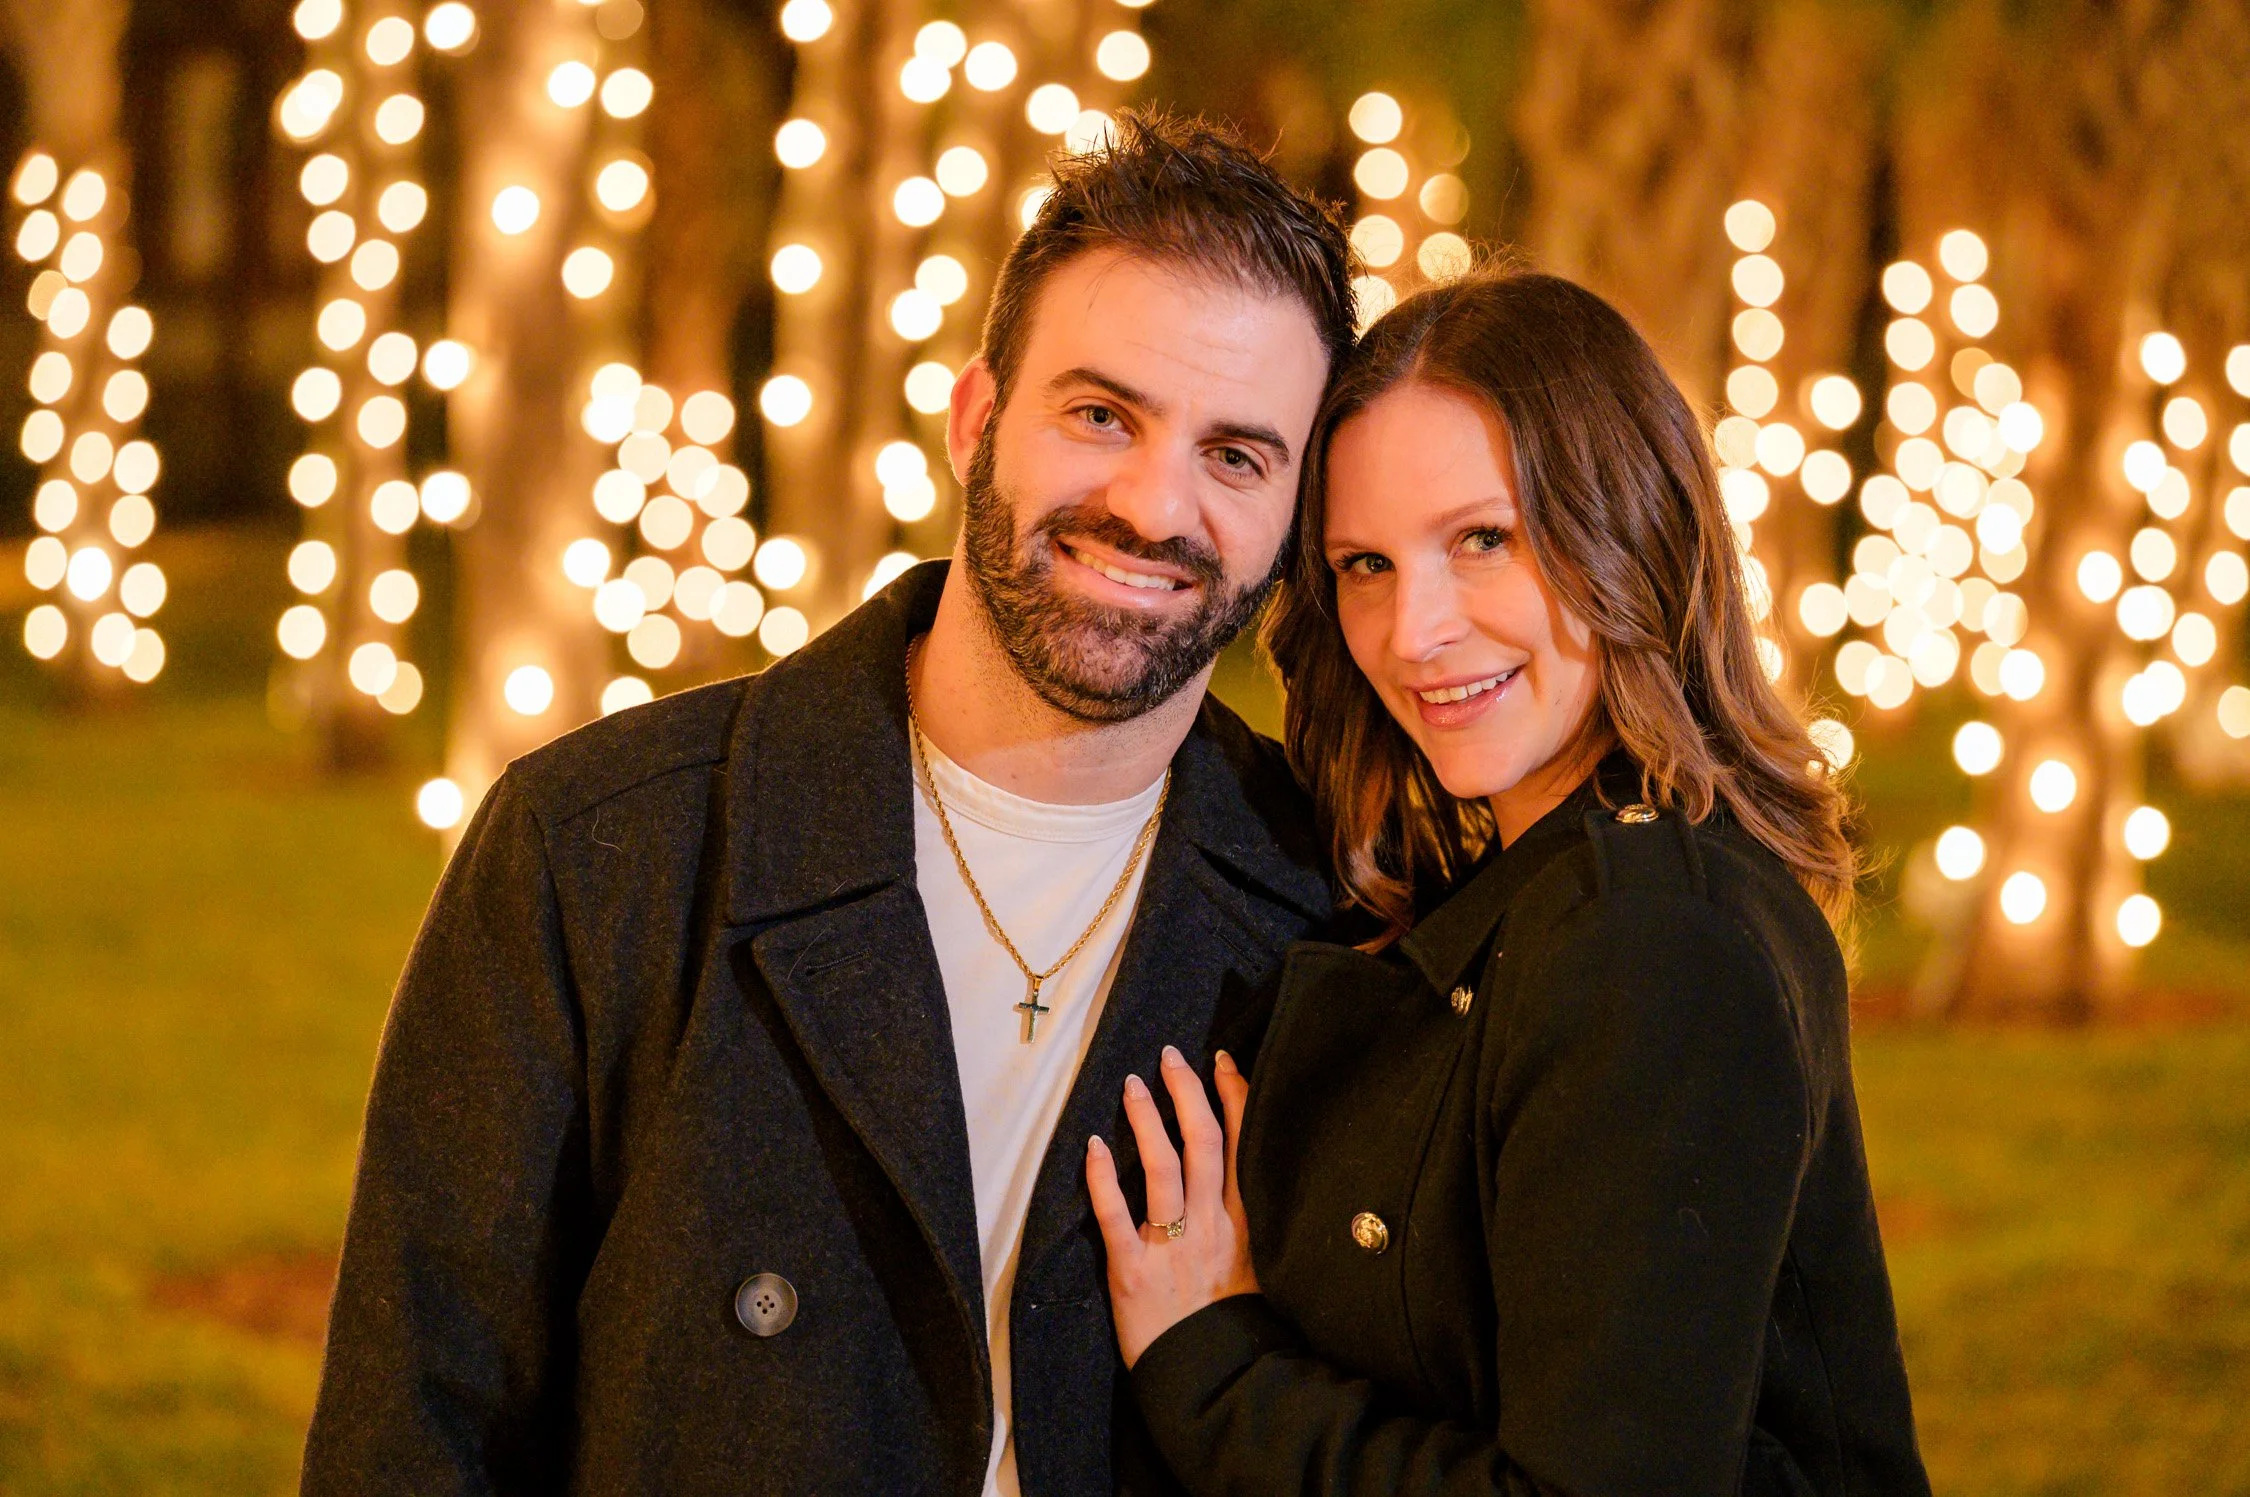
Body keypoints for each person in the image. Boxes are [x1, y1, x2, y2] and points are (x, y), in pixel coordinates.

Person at [301, 113, 1356, 1495]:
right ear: (977, 419)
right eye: (1101, 414)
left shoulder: (1339, 913)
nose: (1153, 507)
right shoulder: (602, 851)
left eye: (1235, 455)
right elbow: (415, 1434)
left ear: (1291, 511)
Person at [1085, 270, 1933, 1495]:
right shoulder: (1512, 880)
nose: (1414, 630)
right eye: (1364, 565)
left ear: (1629, 529)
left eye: (1484, 539)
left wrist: (1211, 1366)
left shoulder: (1652, 938)